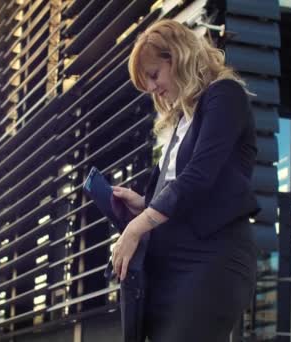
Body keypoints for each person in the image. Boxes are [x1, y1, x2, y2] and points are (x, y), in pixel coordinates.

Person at [111, 19, 260, 341]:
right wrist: (144, 205)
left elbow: (199, 176)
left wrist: (136, 228)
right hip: (169, 263)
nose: (152, 88)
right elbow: (180, 187)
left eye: (153, 75)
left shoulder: (224, 95)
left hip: (211, 257)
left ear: (176, 57)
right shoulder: (181, 118)